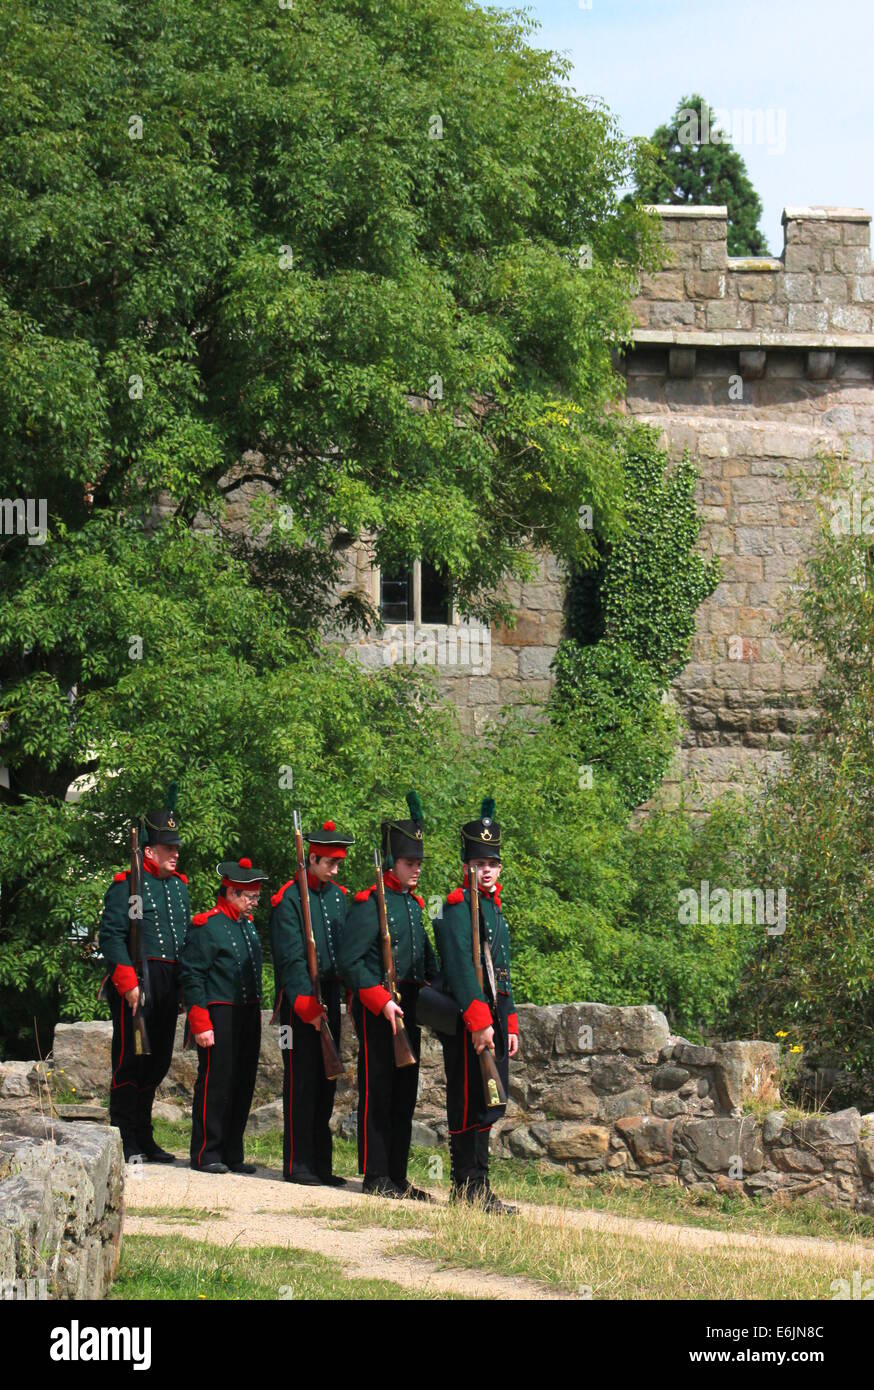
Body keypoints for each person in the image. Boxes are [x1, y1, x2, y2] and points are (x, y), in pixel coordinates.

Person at [340, 791, 437, 1200]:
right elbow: (351, 961)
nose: (415, 870)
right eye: (408, 863)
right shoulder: (369, 904)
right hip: (379, 1008)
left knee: (404, 1092)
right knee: (378, 1089)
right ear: (391, 862)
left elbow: (426, 961)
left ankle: (397, 1174)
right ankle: (375, 1173)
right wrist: (380, 999)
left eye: (418, 863)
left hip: (409, 1007)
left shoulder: (414, 906)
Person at [435, 796, 520, 1213]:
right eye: (479, 863)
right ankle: (465, 1185)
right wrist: (479, 1022)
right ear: (467, 865)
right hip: (471, 1022)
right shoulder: (455, 909)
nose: (486, 870)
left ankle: (479, 1185)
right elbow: (461, 972)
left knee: (489, 1100)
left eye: (492, 863)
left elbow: (501, 972)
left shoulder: (495, 908)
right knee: (468, 1100)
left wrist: (512, 1022)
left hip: (493, 1020)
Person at [98, 790, 190, 1163]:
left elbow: (183, 937)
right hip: (139, 981)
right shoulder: (127, 886)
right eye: (168, 849)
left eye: (176, 848)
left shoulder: (179, 888)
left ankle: (144, 1133)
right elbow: (112, 936)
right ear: (149, 851)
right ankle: (124, 1134)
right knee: (131, 1059)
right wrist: (128, 982)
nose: (175, 854)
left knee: (158, 1061)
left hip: (168, 982)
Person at [269, 820, 353, 1186]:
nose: (335, 870)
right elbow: (289, 957)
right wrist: (307, 1005)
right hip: (298, 1001)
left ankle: (321, 1162)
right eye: (330, 863)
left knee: (326, 1081)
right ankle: (298, 1163)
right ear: (312, 857)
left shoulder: (337, 896)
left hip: (329, 994)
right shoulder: (288, 897)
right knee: (300, 1080)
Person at [181, 856, 268, 1175]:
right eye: (250, 896)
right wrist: (200, 1022)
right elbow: (193, 976)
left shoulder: (247, 927)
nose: (254, 902)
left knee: (243, 1082)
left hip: (246, 1013)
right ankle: (207, 1151)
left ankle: (232, 1151)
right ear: (231, 893)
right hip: (218, 1013)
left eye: (256, 896)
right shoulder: (208, 925)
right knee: (216, 1082)